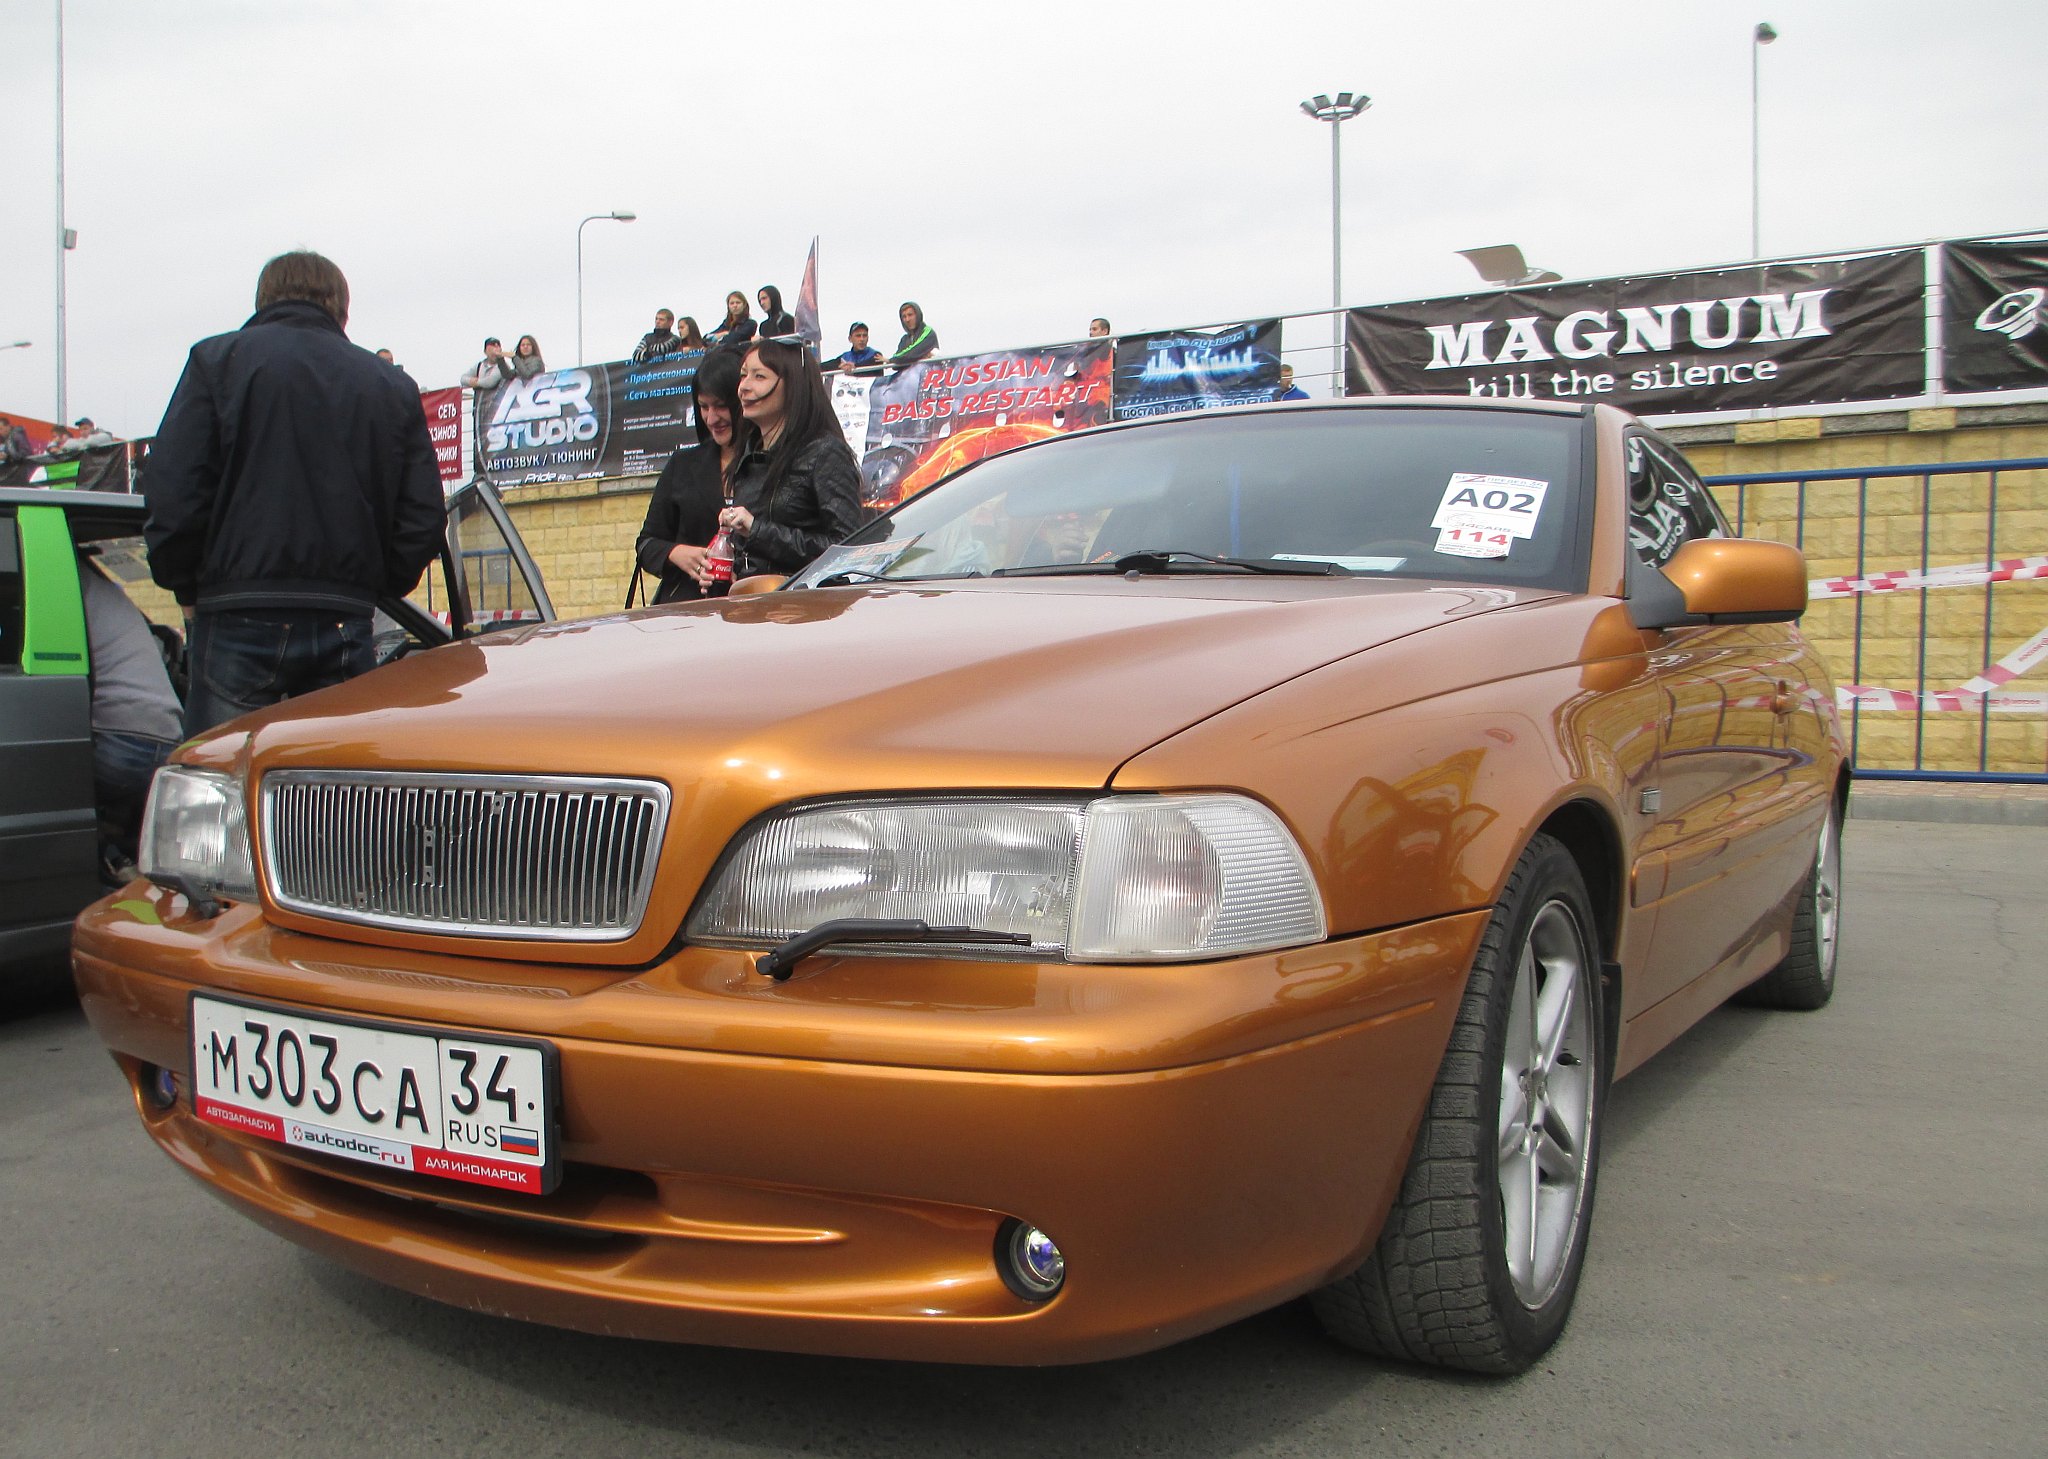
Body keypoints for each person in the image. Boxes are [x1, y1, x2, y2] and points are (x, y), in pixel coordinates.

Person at [142, 249, 445, 737]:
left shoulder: (215, 364)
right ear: (340, 309)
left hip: (235, 614)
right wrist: (374, 587)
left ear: (263, 300)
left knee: (227, 785)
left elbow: (173, 492)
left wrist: (186, 587)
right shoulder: (389, 385)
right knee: (336, 794)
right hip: (345, 618)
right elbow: (424, 518)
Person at [719, 338, 865, 578]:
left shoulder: (824, 453)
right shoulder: (748, 457)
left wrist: (757, 530)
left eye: (759, 377)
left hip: (807, 608)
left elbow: (848, 548)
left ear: (793, 385)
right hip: (753, 605)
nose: (743, 387)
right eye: (743, 375)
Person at [76, 551, 183, 871]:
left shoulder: (64, 582)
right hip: (160, 739)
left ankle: (110, 856)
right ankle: (118, 855)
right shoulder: (100, 589)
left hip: (122, 744)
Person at [633, 351, 744, 604]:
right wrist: (677, 553)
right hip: (686, 614)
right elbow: (646, 544)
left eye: (720, 406)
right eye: (703, 407)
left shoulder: (769, 463)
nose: (711, 418)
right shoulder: (682, 464)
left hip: (750, 613)